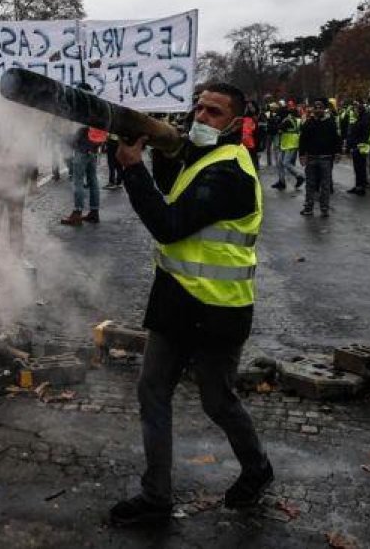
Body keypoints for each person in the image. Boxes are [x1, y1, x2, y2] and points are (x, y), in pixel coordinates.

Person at [109, 82, 272, 527]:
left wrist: (132, 170)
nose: (200, 117)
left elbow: (170, 224)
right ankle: (156, 494)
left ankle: (258, 469)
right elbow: (171, 183)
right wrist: (151, 150)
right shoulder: (204, 157)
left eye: (214, 112)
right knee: (152, 390)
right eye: (198, 107)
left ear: (237, 122)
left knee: (217, 401)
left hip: (218, 309)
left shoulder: (231, 172)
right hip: (177, 301)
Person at [298, 99, 340, 216]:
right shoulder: (309, 123)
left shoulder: (330, 122)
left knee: (325, 185)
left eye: (320, 107)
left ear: (324, 109)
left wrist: (337, 152)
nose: (318, 110)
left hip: (326, 158)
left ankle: (324, 208)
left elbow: (336, 138)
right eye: (316, 108)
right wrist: (302, 155)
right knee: (310, 184)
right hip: (311, 157)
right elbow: (303, 139)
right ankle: (308, 207)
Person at [60, 124, 103, 226]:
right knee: (93, 181)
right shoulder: (102, 117)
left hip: (82, 150)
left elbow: (78, 135)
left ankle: (77, 214)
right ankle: (94, 212)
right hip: (93, 151)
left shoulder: (88, 117)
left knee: (77, 181)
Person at [272, 105, 304, 190]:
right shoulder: (292, 119)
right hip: (286, 144)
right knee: (279, 163)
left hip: (291, 144)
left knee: (286, 163)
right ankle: (281, 181)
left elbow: (278, 129)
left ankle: (299, 176)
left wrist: (275, 123)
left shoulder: (287, 120)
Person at [347, 102, 370, 195]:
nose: (355, 111)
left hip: (361, 146)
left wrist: (355, 144)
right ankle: (358, 185)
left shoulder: (364, 119)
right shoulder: (360, 118)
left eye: (356, 109)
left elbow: (359, 132)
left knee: (360, 167)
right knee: (358, 167)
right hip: (357, 145)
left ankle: (361, 187)